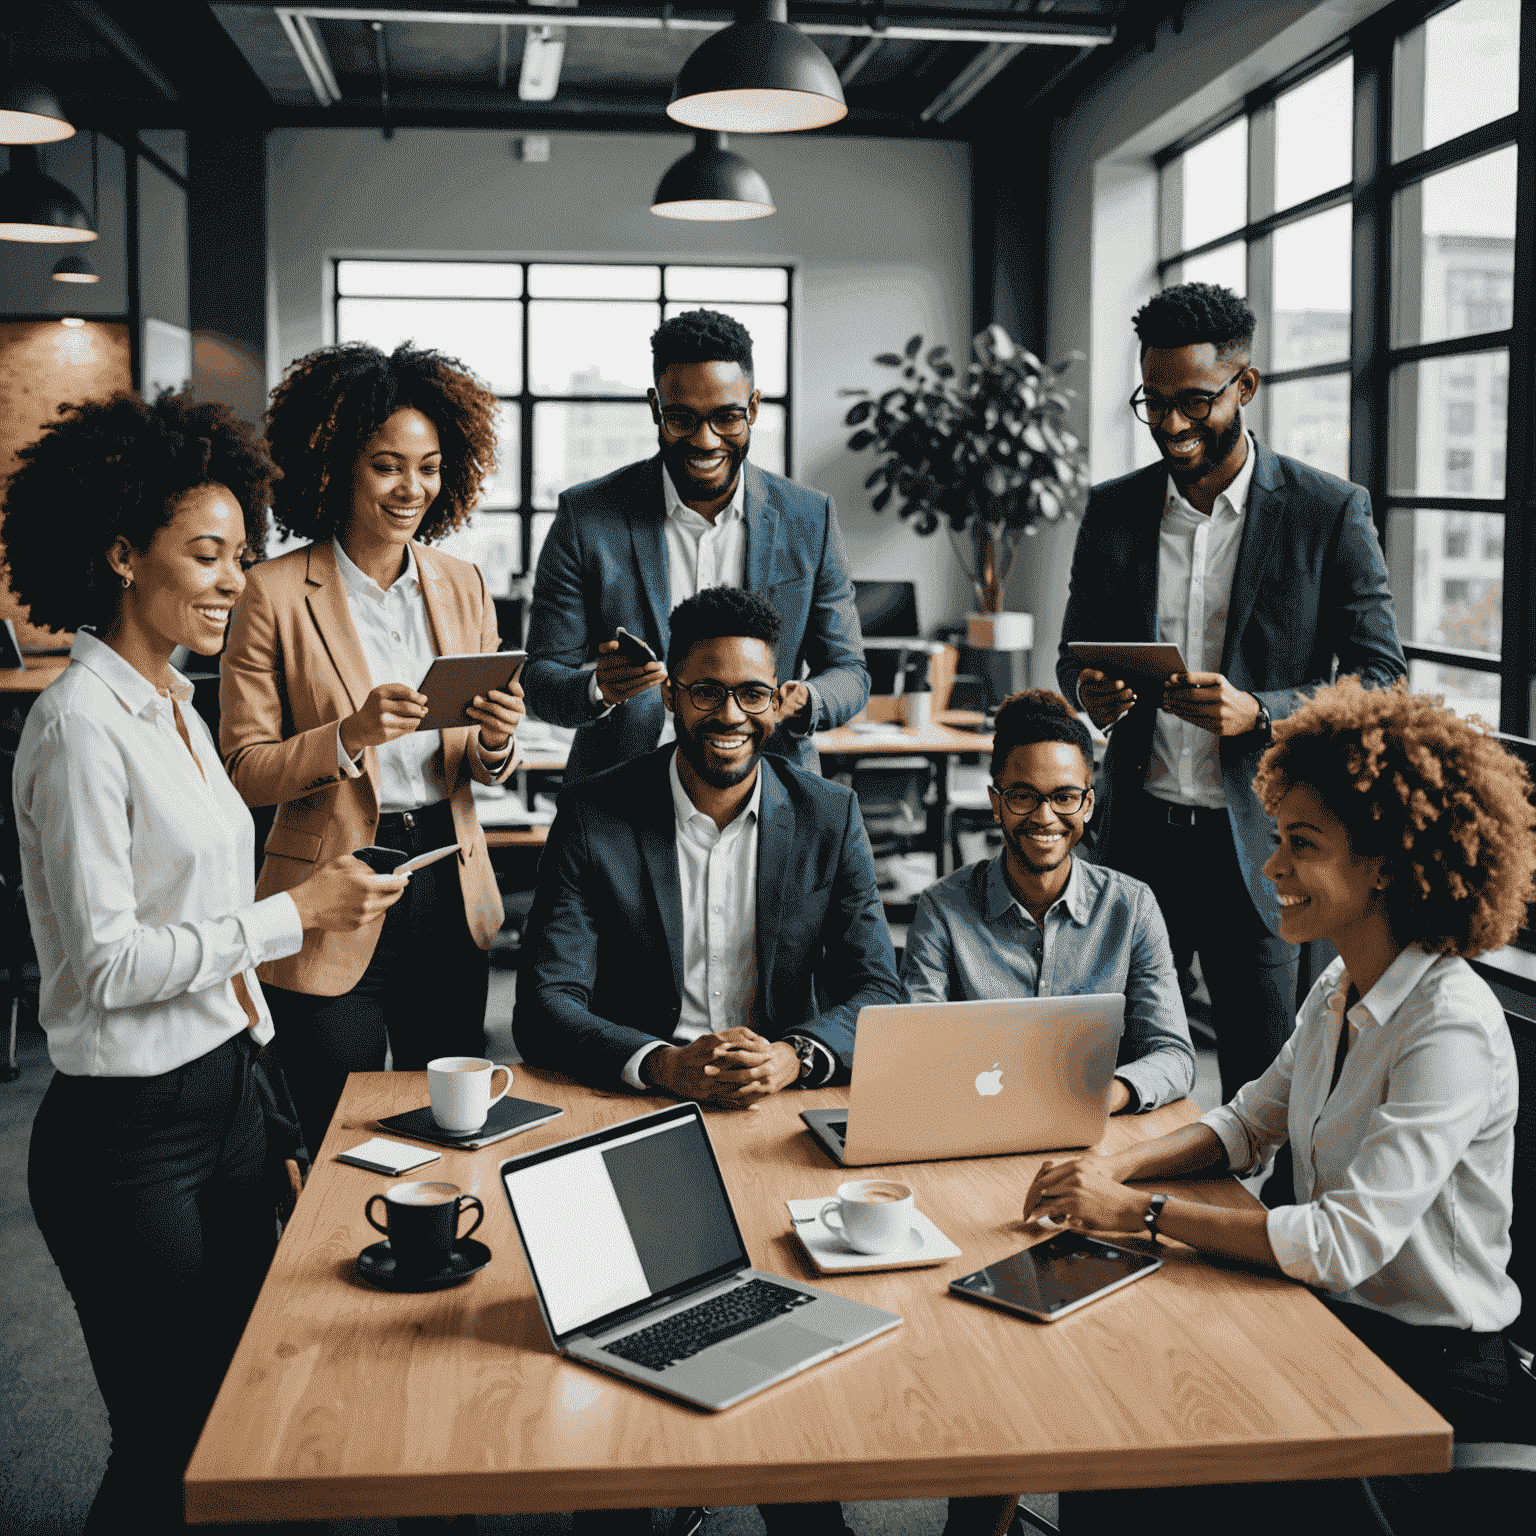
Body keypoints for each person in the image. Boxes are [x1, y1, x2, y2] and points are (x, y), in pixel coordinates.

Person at [5, 390, 408, 1532]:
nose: (237, 580)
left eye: (244, 553)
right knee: (166, 1443)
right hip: (129, 1134)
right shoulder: (80, 726)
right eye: (207, 554)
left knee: (241, 1418)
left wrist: (266, 1095)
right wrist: (302, 914)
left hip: (230, 1093)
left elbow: (205, 912)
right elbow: (102, 968)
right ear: (121, 552)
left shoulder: (175, 706)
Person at [1022, 677, 1535, 1534]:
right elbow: (1246, 1124)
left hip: (1432, 1379)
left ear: (1385, 863)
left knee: (1164, 1448)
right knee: (1124, 1390)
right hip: (1332, 1323)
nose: (1272, 866)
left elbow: (1341, 1242)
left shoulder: (1447, 1025)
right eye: (1277, 837)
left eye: (1302, 844)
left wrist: (1137, 1211)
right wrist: (1111, 1164)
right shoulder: (1342, 981)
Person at [516, 584, 898, 1536]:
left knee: (792, 1365)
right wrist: (660, 1064)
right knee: (621, 1401)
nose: (731, 716)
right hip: (633, 1109)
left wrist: (797, 1056)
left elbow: (879, 991)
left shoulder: (827, 813)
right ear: (672, 695)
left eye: (753, 695)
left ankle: (798, 1504)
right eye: (707, 692)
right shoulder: (598, 812)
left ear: (779, 699)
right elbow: (544, 1006)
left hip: (776, 1111)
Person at [1056, 281, 1405, 1131]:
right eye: (1153, 402)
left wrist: (1264, 713)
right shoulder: (1112, 513)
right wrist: (1091, 692)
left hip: (1264, 849)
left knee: (1267, 1085)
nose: (1171, 424)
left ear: (1244, 388)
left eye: (1193, 402)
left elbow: (1382, 679)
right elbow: (1075, 659)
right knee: (1114, 1070)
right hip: (1137, 842)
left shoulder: (1327, 512)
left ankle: (1265, 1258)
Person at [220, 341, 525, 1159]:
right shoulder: (271, 593)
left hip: (446, 883)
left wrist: (496, 742)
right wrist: (349, 735)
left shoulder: (460, 582)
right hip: (331, 884)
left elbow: (479, 766)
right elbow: (243, 771)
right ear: (334, 465)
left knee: (455, 1121)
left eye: (428, 467)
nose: (411, 489)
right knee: (330, 1129)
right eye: (388, 466)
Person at [523, 307, 869, 785]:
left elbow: (849, 670)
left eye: (727, 417)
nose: (706, 441)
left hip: (771, 792)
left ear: (753, 407)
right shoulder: (586, 519)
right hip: (621, 796)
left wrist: (807, 701)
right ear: (655, 409)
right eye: (682, 418)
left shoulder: (810, 519)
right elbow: (540, 679)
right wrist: (596, 688)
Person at [901, 689, 1194, 1113]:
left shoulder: (1131, 908)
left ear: (1088, 804)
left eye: (1064, 797)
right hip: (976, 1119)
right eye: (1022, 795)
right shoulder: (941, 909)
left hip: (1095, 1129)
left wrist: (1106, 1094)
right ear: (996, 803)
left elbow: (1174, 1056)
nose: (1044, 817)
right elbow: (917, 1048)